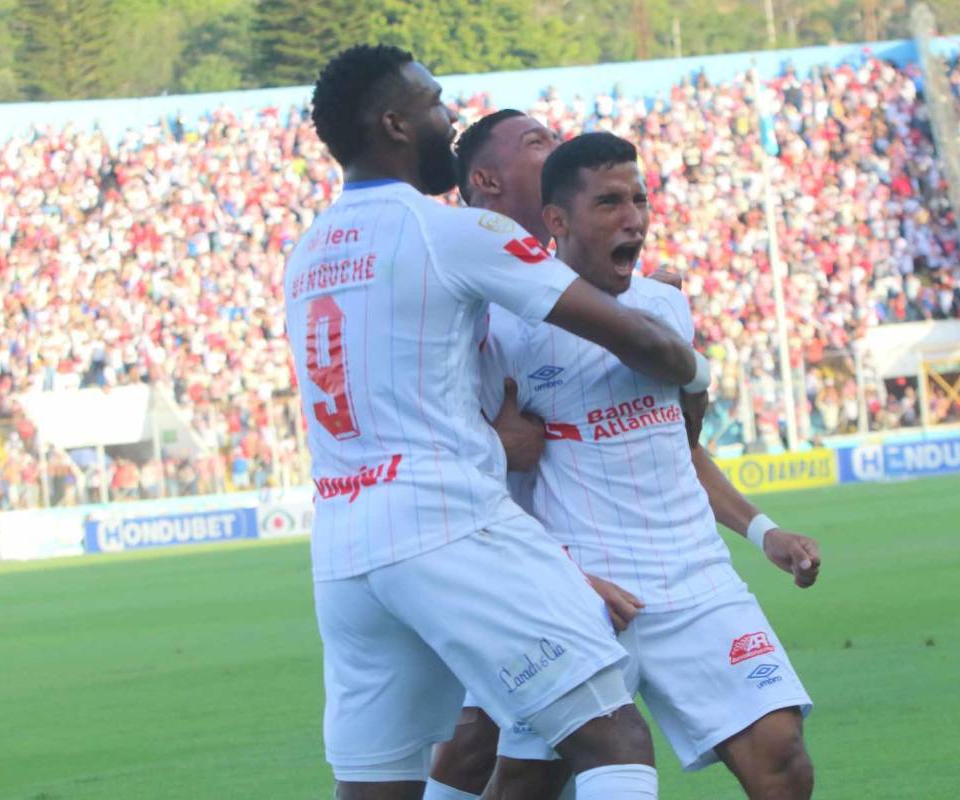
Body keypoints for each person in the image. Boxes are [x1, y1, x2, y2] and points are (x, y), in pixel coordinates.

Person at [289, 46, 711, 800]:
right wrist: (694, 368)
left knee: (384, 785)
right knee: (611, 736)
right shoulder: (446, 231)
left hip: (345, 549)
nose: (448, 121)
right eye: (434, 103)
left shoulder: (309, 250)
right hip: (445, 524)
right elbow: (632, 335)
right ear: (394, 123)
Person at [427, 128, 821, 800]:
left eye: (639, 199)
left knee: (781, 755)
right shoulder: (502, 328)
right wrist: (560, 573)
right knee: (518, 780)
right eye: (609, 202)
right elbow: (477, 471)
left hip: (694, 577)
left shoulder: (664, 307)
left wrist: (764, 532)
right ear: (557, 221)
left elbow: (678, 445)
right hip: (582, 593)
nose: (633, 217)